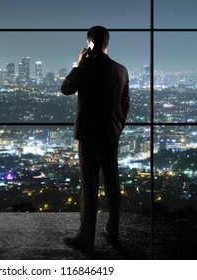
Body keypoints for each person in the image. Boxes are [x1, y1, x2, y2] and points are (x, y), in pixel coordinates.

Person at [61, 25, 130, 250]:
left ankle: (85, 238)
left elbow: (66, 88)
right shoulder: (121, 70)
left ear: (90, 43)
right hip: (111, 135)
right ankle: (113, 230)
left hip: (89, 136)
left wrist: (79, 63)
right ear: (107, 43)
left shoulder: (86, 67)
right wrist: (117, 128)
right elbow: (125, 104)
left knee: (90, 187)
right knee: (113, 184)